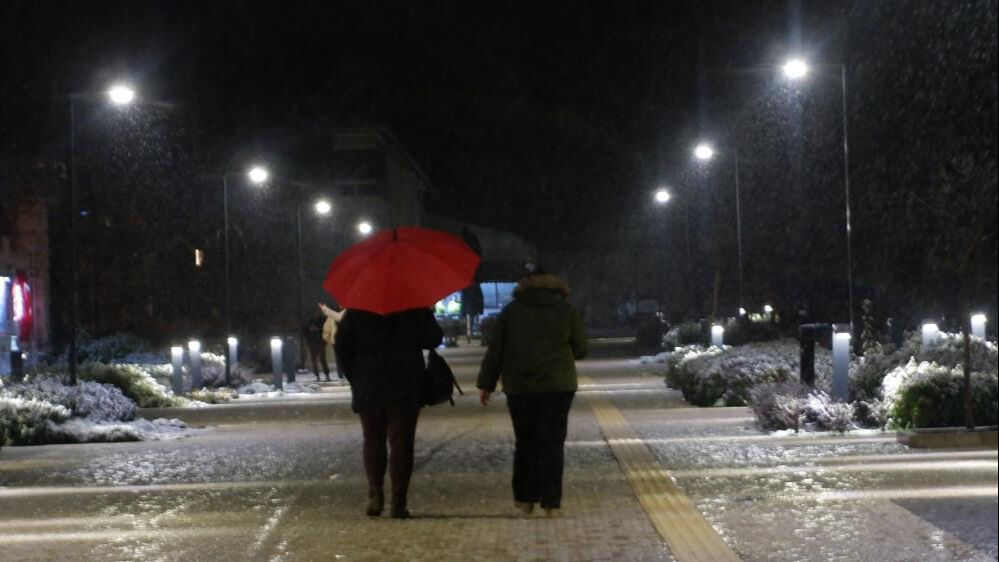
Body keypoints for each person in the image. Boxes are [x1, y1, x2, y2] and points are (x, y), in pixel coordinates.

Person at [476, 265, 588, 518]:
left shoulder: (511, 312)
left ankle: (525, 499)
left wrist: (486, 384)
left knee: (525, 442)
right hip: (558, 387)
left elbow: (496, 351)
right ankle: (551, 503)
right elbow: (581, 350)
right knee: (552, 443)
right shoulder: (566, 310)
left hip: (521, 387)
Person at [334, 307, 443, 519]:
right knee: (402, 442)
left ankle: (375, 494)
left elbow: (342, 345)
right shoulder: (414, 307)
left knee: (373, 438)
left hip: (369, 382)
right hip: (405, 382)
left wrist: (355, 375)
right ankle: (398, 501)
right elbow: (434, 338)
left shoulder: (359, 309)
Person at [319, 303, 345, 380]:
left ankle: (341, 374)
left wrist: (329, 340)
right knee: (343, 358)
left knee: (339, 359)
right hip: (343, 341)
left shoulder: (332, 318)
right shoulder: (348, 315)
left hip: (338, 341)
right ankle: (342, 374)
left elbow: (326, 331)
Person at [303, 311, 330, 381]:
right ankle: (318, 375)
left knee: (321, 359)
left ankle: (325, 375)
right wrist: (310, 331)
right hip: (313, 342)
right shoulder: (310, 321)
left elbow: (326, 330)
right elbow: (304, 331)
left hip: (319, 342)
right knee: (315, 360)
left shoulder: (322, 320)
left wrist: (318, 330)